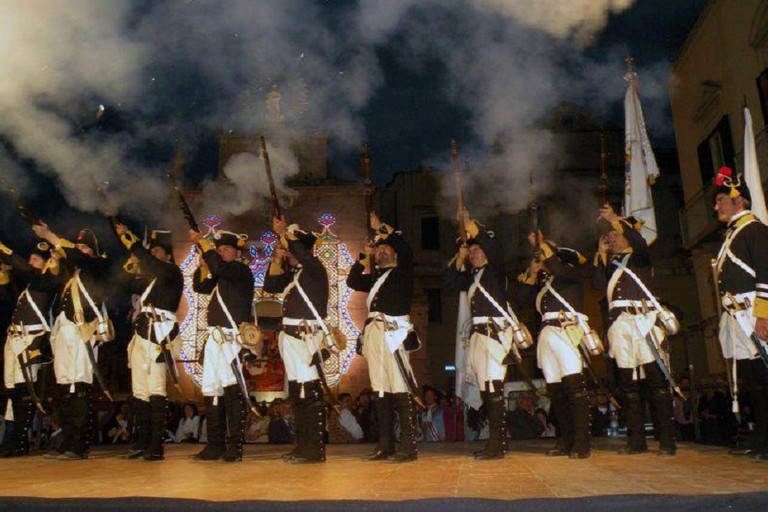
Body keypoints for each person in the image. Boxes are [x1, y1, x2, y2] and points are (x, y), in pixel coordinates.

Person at [593, 203, 676, 456]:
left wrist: (615, 219)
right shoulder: (611, 263)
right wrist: (600, 255)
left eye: (615, 235)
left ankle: (666, 441)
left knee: (656, 383)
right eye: (608, 236)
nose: (611, 238)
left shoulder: (639, 255)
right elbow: (598, 285)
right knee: (627, 385)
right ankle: (636, 440)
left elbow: (640, 241)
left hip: (643, 321)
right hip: (620, 324)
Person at [444, 208, 521, 460]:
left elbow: (491, 244)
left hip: (495, 334)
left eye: (478, 250)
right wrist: (459, 256)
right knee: (487, 390)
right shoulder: (473, 276)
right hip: (478, 335)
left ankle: (497, 444)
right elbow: (450, 282)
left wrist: (469, 223)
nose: (475, 253)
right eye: (472, 251)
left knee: (493, 387)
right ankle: (496, 442)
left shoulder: (496, 269)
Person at [34, 222, 112, 460]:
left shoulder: (97, 266)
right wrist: (55, 261)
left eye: (83, 247)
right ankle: (67, 441)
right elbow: (43, 284)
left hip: (83, 332)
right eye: (77, 246)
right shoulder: (71, 276)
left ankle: (79, 445)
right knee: (66, 386)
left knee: (79, 388)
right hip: (66, 332)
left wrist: (51, 235)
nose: (79, 249)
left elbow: (82, 259)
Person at [347, 212, 418, 462]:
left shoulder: (403, 272)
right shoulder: (376, 277)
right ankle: (385, 445)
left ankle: (409, 446)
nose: (383, 251)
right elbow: (353, 280)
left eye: (386, 248)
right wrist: (365, 254)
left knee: (400, 387)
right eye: (380, 249)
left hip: (394, 332)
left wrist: (382, 228)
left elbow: (405, 247)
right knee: (379, 389)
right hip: (374, 332)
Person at [516, 231, 593, 458]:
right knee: (557, 393)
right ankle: (566, 440)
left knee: (575, 389)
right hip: (547, 336)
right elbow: (520, 299)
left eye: (546, 254)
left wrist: (543, 246)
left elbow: (558, 269)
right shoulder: (544, 284)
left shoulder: (570, 272)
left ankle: (582, 443)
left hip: (567, 331)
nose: (542, 258)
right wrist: (532, 272)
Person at [711, 166, 768, 461]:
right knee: (755, 384)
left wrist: (764, 315)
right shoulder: (734, 233)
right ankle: (761, 439)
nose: (716, 205)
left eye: (722, 198)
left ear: (739, 200)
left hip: (753, 314)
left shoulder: (755, 230)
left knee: (764, 380)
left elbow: (766, 273)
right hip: (738, 316)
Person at [263, 216, 329, 463]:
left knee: (310, 394)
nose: (288, 251)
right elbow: (271, 285)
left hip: (306, 338)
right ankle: (302, 445)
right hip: (291, 339)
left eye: (291, 248)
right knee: (298, 395)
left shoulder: (315, 270)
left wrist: (286, 235)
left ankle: (315, 449)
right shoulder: (296, 277)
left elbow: (305, 256)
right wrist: (277, 260)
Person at [114, 224, 183, 461]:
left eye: (157, 251)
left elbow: (154, 266)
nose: (153, 254)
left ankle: (156, 445)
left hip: (159, 333)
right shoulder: (148, 281)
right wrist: (131, 262)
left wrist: (131, 242)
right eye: (151, 251)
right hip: (141, 334)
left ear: (168, 255)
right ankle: (141, 443)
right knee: (140, 391)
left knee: (156, 389)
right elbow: (122, 283)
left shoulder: (172, 273)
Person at [190, 228, 253, 462]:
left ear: (236, 253)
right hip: (214, 338)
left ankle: (235, 446)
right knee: (210, 388)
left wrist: (205, 248)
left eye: (225, 249)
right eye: (218, 249)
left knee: (231, 390)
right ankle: (215, 444)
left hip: (231, 338)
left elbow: (219, 268)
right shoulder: (221, 274)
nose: (221, 252)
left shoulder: (240, 270)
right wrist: (202, 264)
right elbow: (200, 286)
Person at [0, 239, 62, 457]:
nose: (30, 262)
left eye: (35, 259)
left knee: (25, 392)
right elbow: (6, 299)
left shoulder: (46, 281)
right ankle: (15, 440)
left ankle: (19, 441)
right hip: (15, 339)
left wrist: (5, 251)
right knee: (14, 391)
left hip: (30, 340)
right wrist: (4, 276)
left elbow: (27, 270)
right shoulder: (30, 286)